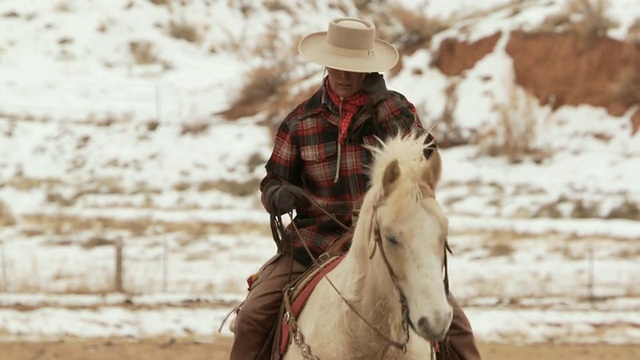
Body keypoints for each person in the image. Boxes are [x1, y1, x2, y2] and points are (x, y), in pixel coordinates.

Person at [229, 17, 481, 360]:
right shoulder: (300, 122)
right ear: (327, 63)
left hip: (383, 240)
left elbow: (424, 160)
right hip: (312, 244)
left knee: (458, 331)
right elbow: (273, 179)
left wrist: (383, 108)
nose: (344, 75)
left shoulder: (395, 109)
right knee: (252, 318)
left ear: (368, 68)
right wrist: (277, 195)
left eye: (354, 67)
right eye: (338, 66)